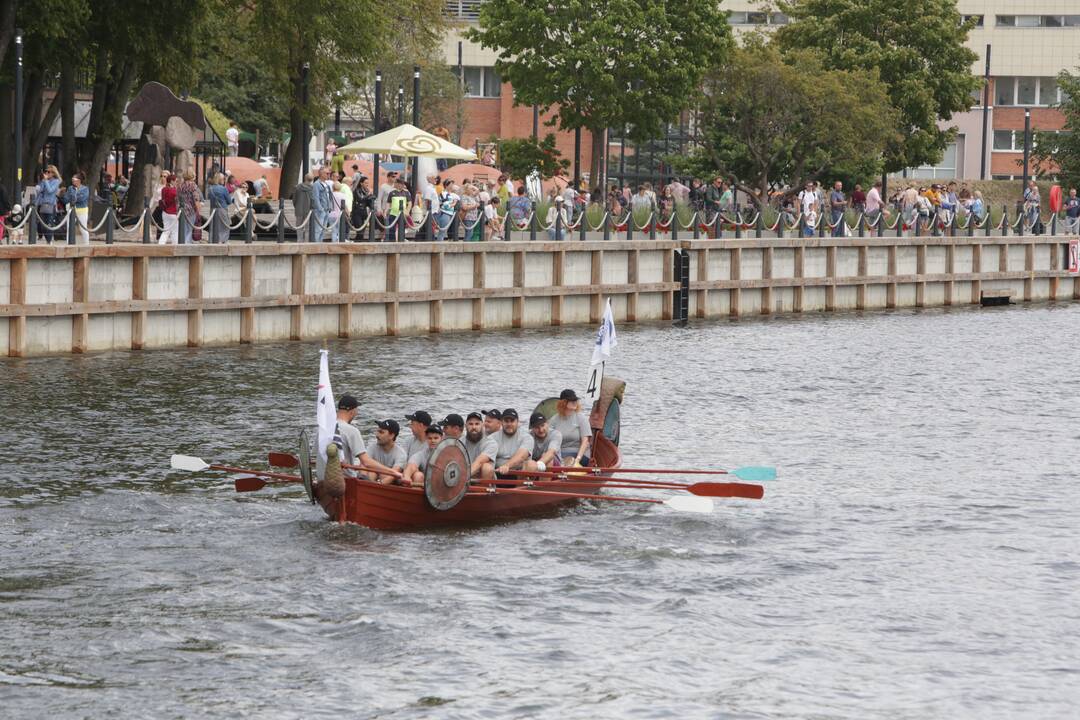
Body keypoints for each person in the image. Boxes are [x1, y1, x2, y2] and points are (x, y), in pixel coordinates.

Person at [318, 394, 403, 483]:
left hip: (322, 480)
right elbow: (366, 461)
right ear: (352, 411)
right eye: (357, 410)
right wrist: (392, 472)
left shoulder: (322, 429)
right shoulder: (352, 431)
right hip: (343, 482)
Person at [549, 388, 592, 466]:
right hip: (560, 453)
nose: (575, 402)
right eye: (572, 401)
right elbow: (548, 440)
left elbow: (585, 442)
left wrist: (577, 460)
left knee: (568, 460)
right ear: (563, 403)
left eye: (576, 400)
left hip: (580, 454)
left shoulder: (581, 418)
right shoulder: (554, 420)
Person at [493, 408, 536, 476]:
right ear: (501, 422)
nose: (509, 424)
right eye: (506, 421)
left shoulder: (527, 438)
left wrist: (506, 466)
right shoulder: (492, 438)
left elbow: (521, 456)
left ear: (518, 422)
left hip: (519, 475)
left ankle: (519, 486)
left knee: (532, 464)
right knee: (486, 466)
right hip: (497, 473)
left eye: (512, 421)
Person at [364, 419, 408, 484]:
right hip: (374, 482)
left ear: (392, 435)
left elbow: (393, 474)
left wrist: (378, 484)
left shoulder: (401, 454)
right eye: (377, 431)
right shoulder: (372, 447)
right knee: (371, 472)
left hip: (391, 484)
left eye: (381, 432)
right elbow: (364, 464)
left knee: (383, 475)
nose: (377, 435)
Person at [463, 412, 497, 480]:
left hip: (481, 479)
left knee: (487, 467)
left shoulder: (491, 443)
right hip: (463, 476)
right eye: (470, 424)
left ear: (482, 425)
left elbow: (479, 462)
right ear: (465, 425)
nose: (474, 427)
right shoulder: (459, 442)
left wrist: (462, 478)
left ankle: (483, 490)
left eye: (477, 424)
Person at [36, 166, 62, 243]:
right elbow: (40, 190)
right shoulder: (44, 181)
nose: (47, 173)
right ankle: (47, 239)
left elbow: (50, 190)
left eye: (49, 172)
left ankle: (49, 241)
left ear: (53, 173)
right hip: (42, 204)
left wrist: (46, 181)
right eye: (46, 172)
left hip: (50, 205)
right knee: (42, 225)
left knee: (49, 224)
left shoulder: (56, 181)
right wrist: (42, 182)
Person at [64, 172, 91, 244]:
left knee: (83, 229)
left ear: (79, 180)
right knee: (69, 228)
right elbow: (66, 198)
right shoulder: (70, 188)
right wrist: (74, 197)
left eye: (74, 179)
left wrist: (73, 197)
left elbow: (82, 199)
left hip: (82, 211)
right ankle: (68, 244)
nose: (72, 180)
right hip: (71, 210)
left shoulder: (85, 189)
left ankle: (86, 245)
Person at [177, 170, 203, 244]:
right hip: (191, 210)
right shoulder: (193, 185)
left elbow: (177, 198)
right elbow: (196, 198)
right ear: (192, 177)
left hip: (181, 210)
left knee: (183, 229)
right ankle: (186, 245)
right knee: (189, 229)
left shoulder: (180, 185)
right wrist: (198, 209)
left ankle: (182, 243)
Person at [207, 172, 231, 244]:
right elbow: (229, 201)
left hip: (213, 209)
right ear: (219, 179)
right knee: (224, 226)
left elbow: (209, 198)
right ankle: (221, 240)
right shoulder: (223, 189)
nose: (224, 180)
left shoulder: (210, 189)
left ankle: (213, 240)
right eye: (223, 178)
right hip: (222, 209)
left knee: (214, 226)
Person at [310, 166, 333, 242]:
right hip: (320, 210)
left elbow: (329, 196)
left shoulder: (326, 184)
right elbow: (315, 197)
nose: (328, 175)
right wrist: (320, 209)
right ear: (321, 174)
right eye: (327, 173)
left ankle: (320, 244)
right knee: (318, 229)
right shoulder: (316, 184)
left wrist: (330, 207)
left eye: (329, 173)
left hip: (326, 209)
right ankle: (315, 245)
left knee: (323, 229)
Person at [386, 178, 411, 242]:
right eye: (400, 184)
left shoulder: (406, 193)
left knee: (402, 229)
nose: (401, 185)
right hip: (393, 213)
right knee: (391, 229)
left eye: (402, 184)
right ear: (397, 184)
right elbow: (388, 203)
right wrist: (387, 210)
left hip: (402, 214)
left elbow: (410, 203)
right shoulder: (392, 193)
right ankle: (392, 242)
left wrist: (407, 211)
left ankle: (401, 241)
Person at [158, 172, 179, 245]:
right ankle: (175, 244)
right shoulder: (174, 191)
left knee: (166, 230)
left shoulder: (164, 189)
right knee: (175, 231)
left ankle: (161, 244)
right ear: (172, 181)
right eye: (176, 181)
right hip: (173, 212)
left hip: (165, 212)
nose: (177, 183)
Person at [292, 173, 313, 243]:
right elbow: (313, 199)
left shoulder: (297, 187)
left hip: (299, 209)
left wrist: (296, 206)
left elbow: (294, 199)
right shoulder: (312, 188)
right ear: (312, 179)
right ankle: (306, 241)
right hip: (308, 210)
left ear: (305, 178)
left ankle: (299, 240)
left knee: (299, 226)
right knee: (307, 228)